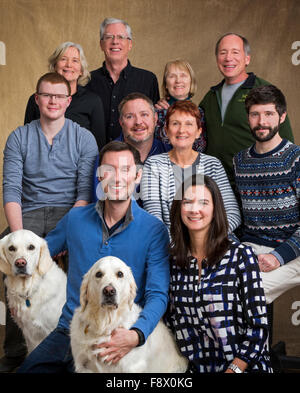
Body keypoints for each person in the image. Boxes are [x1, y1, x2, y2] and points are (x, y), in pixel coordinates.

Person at [17, 141, 170, 373]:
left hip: (119, 334)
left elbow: (158, 294)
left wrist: (136, 334)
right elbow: (37, 253)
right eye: (108, 170)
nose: (116, 178)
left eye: (125, 170)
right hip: (69, 330)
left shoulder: (154, 229)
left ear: (137, 176)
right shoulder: (75, 219)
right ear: (99, 176)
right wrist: (17, 288)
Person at [0, 72, 98, 373]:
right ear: (37, 99)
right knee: (8, 259)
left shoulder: (84, 137)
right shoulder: (19, 136)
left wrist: (64, 236)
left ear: (69, 101)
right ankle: (16, 350)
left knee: (83, 257)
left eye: (59, 96)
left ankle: (71, 344)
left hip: (69, 213)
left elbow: (84, 195)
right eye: (47, 95)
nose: (53, 101)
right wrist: (20, 242)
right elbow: (12, 190)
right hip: (27, 213)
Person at [167, 174, 272, 373]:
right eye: (187, 202)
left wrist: (234, 370)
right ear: (178, 208)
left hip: (243, 368)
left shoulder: (241, 256)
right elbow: (171, 325)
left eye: (204, 202)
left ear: (215, 209)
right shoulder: (172, 262)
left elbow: (259, 329)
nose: (194, 209)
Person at [233, 85, 300, 307]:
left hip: (292, 250)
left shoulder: (295, 160)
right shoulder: (240, 161)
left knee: (250, 292)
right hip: (251, 248)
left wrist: (278, 256)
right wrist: (239, 249)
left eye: (269, 114)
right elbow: (238, 218)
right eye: (255, 114)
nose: (262, 121)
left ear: (282, 117)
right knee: (216, 286)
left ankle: (255, 343)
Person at [200, 33, 294, 186]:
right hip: (215, 184)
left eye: (235, 52)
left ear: (247, 59)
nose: (228, 58)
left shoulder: (264, 91)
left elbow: (287, 141)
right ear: (217, 58)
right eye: (223, 52)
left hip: (253, 181)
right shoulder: (210, 96)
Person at [140, 100, 241, 232]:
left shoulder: (213, 164)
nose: (182, 130)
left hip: (214, 242)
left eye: (189, 124)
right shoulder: (154, 165)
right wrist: (181, 247)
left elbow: (232, 214)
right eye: (175, 124)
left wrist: (204, 242)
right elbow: (154, 218)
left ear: (198, 131)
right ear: (166, 130)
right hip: (170, 245)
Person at [86, 17, 160, 143]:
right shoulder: (87, 81)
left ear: (130, 44)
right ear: (101, 44)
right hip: (96, 157)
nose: (115, 42)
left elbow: (154, 123)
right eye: (109, 37)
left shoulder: (148, 79)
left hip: (136, 157)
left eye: (121, 37)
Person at [24, 41, 106, 149]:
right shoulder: (38, 98)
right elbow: (27, 140)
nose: (69, 65)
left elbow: (99, 145)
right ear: (54, 66)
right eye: (63, 59)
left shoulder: (93, 101)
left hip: (80, 164)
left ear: (81, 70)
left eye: (75, 61)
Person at [93, 92, 171, 202]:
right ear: (121, 122)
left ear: (155, 118)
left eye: (144, 114)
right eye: (130, 116)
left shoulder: (169, 153)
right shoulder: (106, 157)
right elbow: (100, 204)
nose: (138, 122)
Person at [154, 59, 206, 152]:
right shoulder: (158, 112)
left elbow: (201, 147)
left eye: (183, 75)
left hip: (191, 165)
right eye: (172, 76)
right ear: (166, 84)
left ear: (191, 82)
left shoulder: (199, 112)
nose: (178, 81)